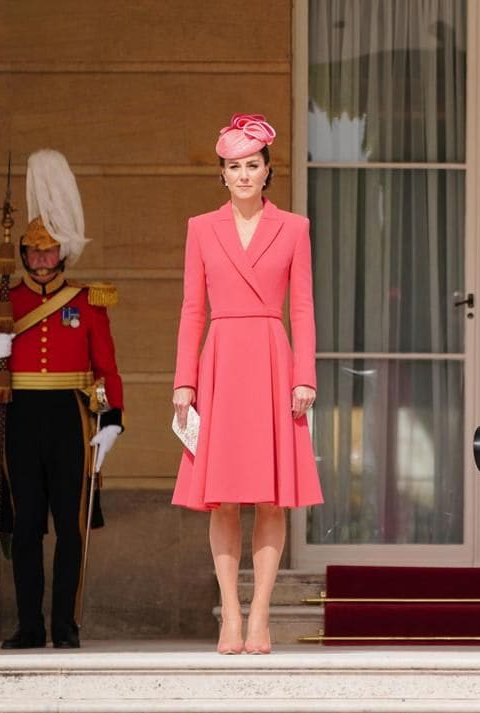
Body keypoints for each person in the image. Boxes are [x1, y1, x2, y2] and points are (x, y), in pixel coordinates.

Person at [171, 113, 322, 655]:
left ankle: (260, 616)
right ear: (223, 174)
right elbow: (192, 309)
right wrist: (183, 382)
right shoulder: (199, 228)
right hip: (219, 363)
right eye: (232, 166)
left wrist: (304, 375)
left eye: (251, 165)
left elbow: (301, 306)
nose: (242, 175)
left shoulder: (295, 227)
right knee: (223, 501)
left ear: (266, 172)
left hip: (271, 360)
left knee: (271, 501)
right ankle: (229, 617)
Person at [0, 149, 124, 650]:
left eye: (48, 251)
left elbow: (107, 367)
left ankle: (66, 625)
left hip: (69, 419)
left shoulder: (86, 301)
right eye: (33, 252)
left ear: (62, 253)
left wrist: (113, 419)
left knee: (71, 528)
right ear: (23, 256)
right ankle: (30, 627)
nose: (40, 259)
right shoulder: (5, 300)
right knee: (28, 526)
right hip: (19, 417)